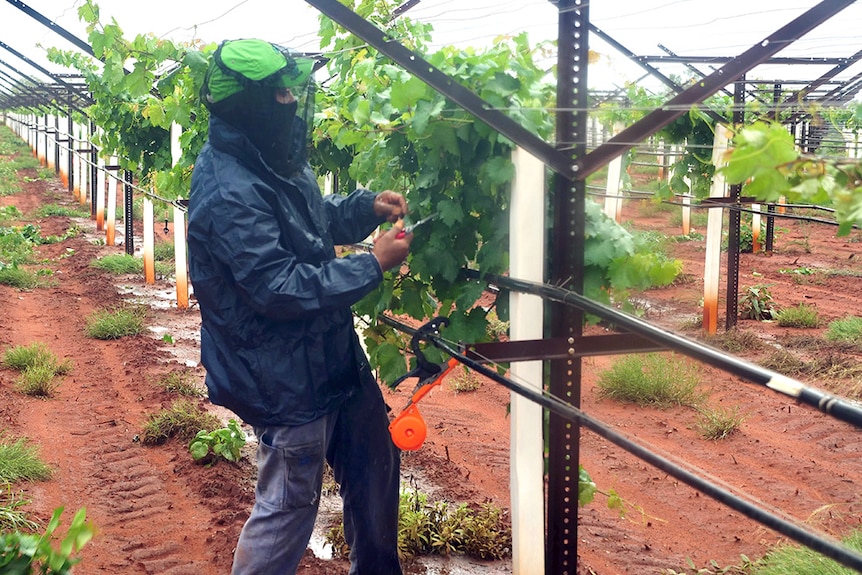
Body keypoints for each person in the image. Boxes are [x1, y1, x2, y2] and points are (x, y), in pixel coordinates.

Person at [187, 38, 412, 575]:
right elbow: (277, 286)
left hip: (329, 353)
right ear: (250, 104)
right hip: (280, 374)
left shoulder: (271, 154)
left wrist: (363, 209)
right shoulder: (228, 189)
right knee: (289, 506)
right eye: (281, 94)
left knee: (375, 465)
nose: (292, 102)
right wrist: (370, 265)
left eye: (294, 90)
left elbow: (311, 218)